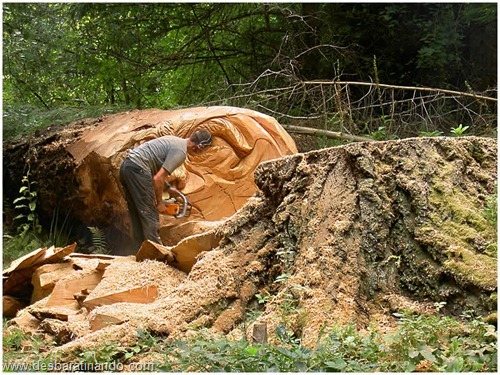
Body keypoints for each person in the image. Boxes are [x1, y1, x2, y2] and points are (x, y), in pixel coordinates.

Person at [119, 129, 212, 253]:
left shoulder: (174, 140)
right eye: (205, 150)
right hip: (138, 169)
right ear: (199, 146)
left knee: (137, 213)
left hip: (127, 167)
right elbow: (158, 178)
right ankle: (157, 255)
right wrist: (159, 203)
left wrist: (168, 188)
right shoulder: (180, 152)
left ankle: (139, 251)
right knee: (149, 214)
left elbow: (154, 169)